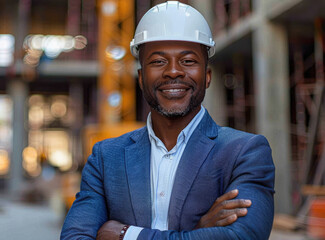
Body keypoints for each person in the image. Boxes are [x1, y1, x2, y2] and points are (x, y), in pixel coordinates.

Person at [60, 1, 275, 239]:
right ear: (141, 78)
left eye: (188, 61)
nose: (173, 71)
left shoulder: (244, 153)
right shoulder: (105, 157)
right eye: (158, 61)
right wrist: (197, 232)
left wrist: (126, 235)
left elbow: (244, 236)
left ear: (207, 76)